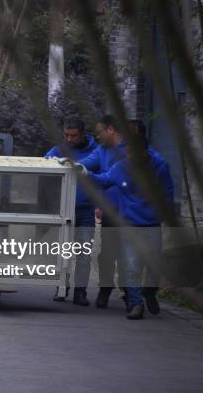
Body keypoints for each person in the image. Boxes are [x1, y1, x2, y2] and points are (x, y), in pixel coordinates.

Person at [83, 136, 174, 319]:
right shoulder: (121, 167)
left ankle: (149, 292)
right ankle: (135, 303)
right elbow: (104, 180)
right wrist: (85, 173)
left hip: (152, 223)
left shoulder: (159, 166)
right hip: (130, 224)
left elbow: (168, 192)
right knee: (131, 265)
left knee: (154, 264)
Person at [77, 114, 127, 308]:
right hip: (110, 211)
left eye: (99, 132)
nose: (96, 137)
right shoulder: (102, 151)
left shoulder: (130, 151)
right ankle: (105, 289)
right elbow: (86, 162)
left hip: (132, 213)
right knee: (107, 254)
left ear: (111, 129)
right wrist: (66, 163)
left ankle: (130, 292)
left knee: (129, 254)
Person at [46, 119, 97, 306]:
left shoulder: (95, 152)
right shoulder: (59, 150)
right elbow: (46, 163)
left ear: (83, 133)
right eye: (66, 135)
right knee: (63, 251)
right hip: (64, 208)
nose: (69, 139)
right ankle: (62, 287)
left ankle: (80, 291)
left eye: (73, 135)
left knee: (84, 252)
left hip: (85, 208)